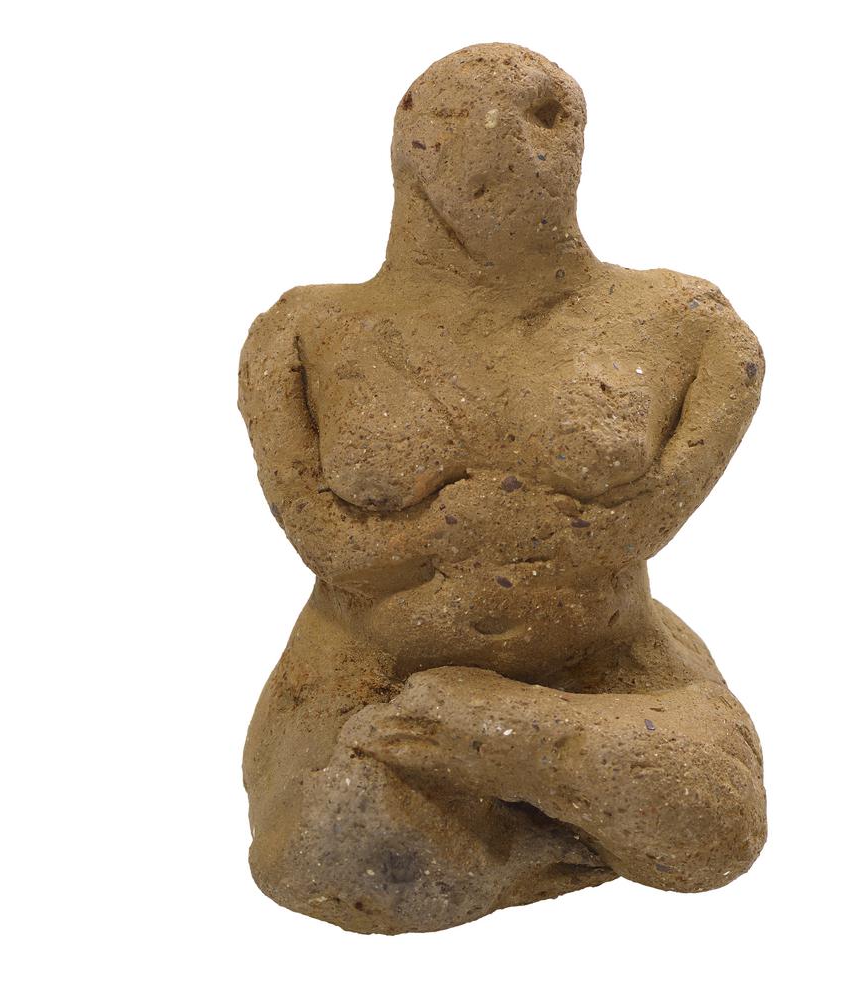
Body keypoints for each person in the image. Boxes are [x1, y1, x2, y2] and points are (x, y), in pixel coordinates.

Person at [239, 42, 766, 934]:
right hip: (374, 669)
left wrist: (576, 544)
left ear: (577, 141)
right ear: (407, 139)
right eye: (452, 118)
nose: (503, 141)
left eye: (543, 117)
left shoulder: (688, 324)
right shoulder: (302, 332)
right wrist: (433, 534)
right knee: (334, 848)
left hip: (604, 662)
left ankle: (514, 741)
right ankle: (525, 808)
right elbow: (326, 544)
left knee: (715, 819)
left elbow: (649, 518)